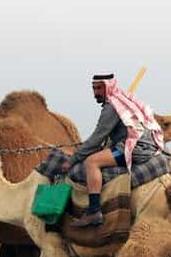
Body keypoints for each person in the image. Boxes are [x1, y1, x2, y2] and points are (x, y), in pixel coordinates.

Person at [62, 73, 164, 227]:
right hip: (145, 144)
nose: (96, 92)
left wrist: (72, 160)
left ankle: (94, 211)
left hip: (134, 147)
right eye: (94, 88)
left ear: (108, 86)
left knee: (91, 162)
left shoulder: (112, 107)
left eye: (99, 88)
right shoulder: (123, 99)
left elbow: (97, 138)